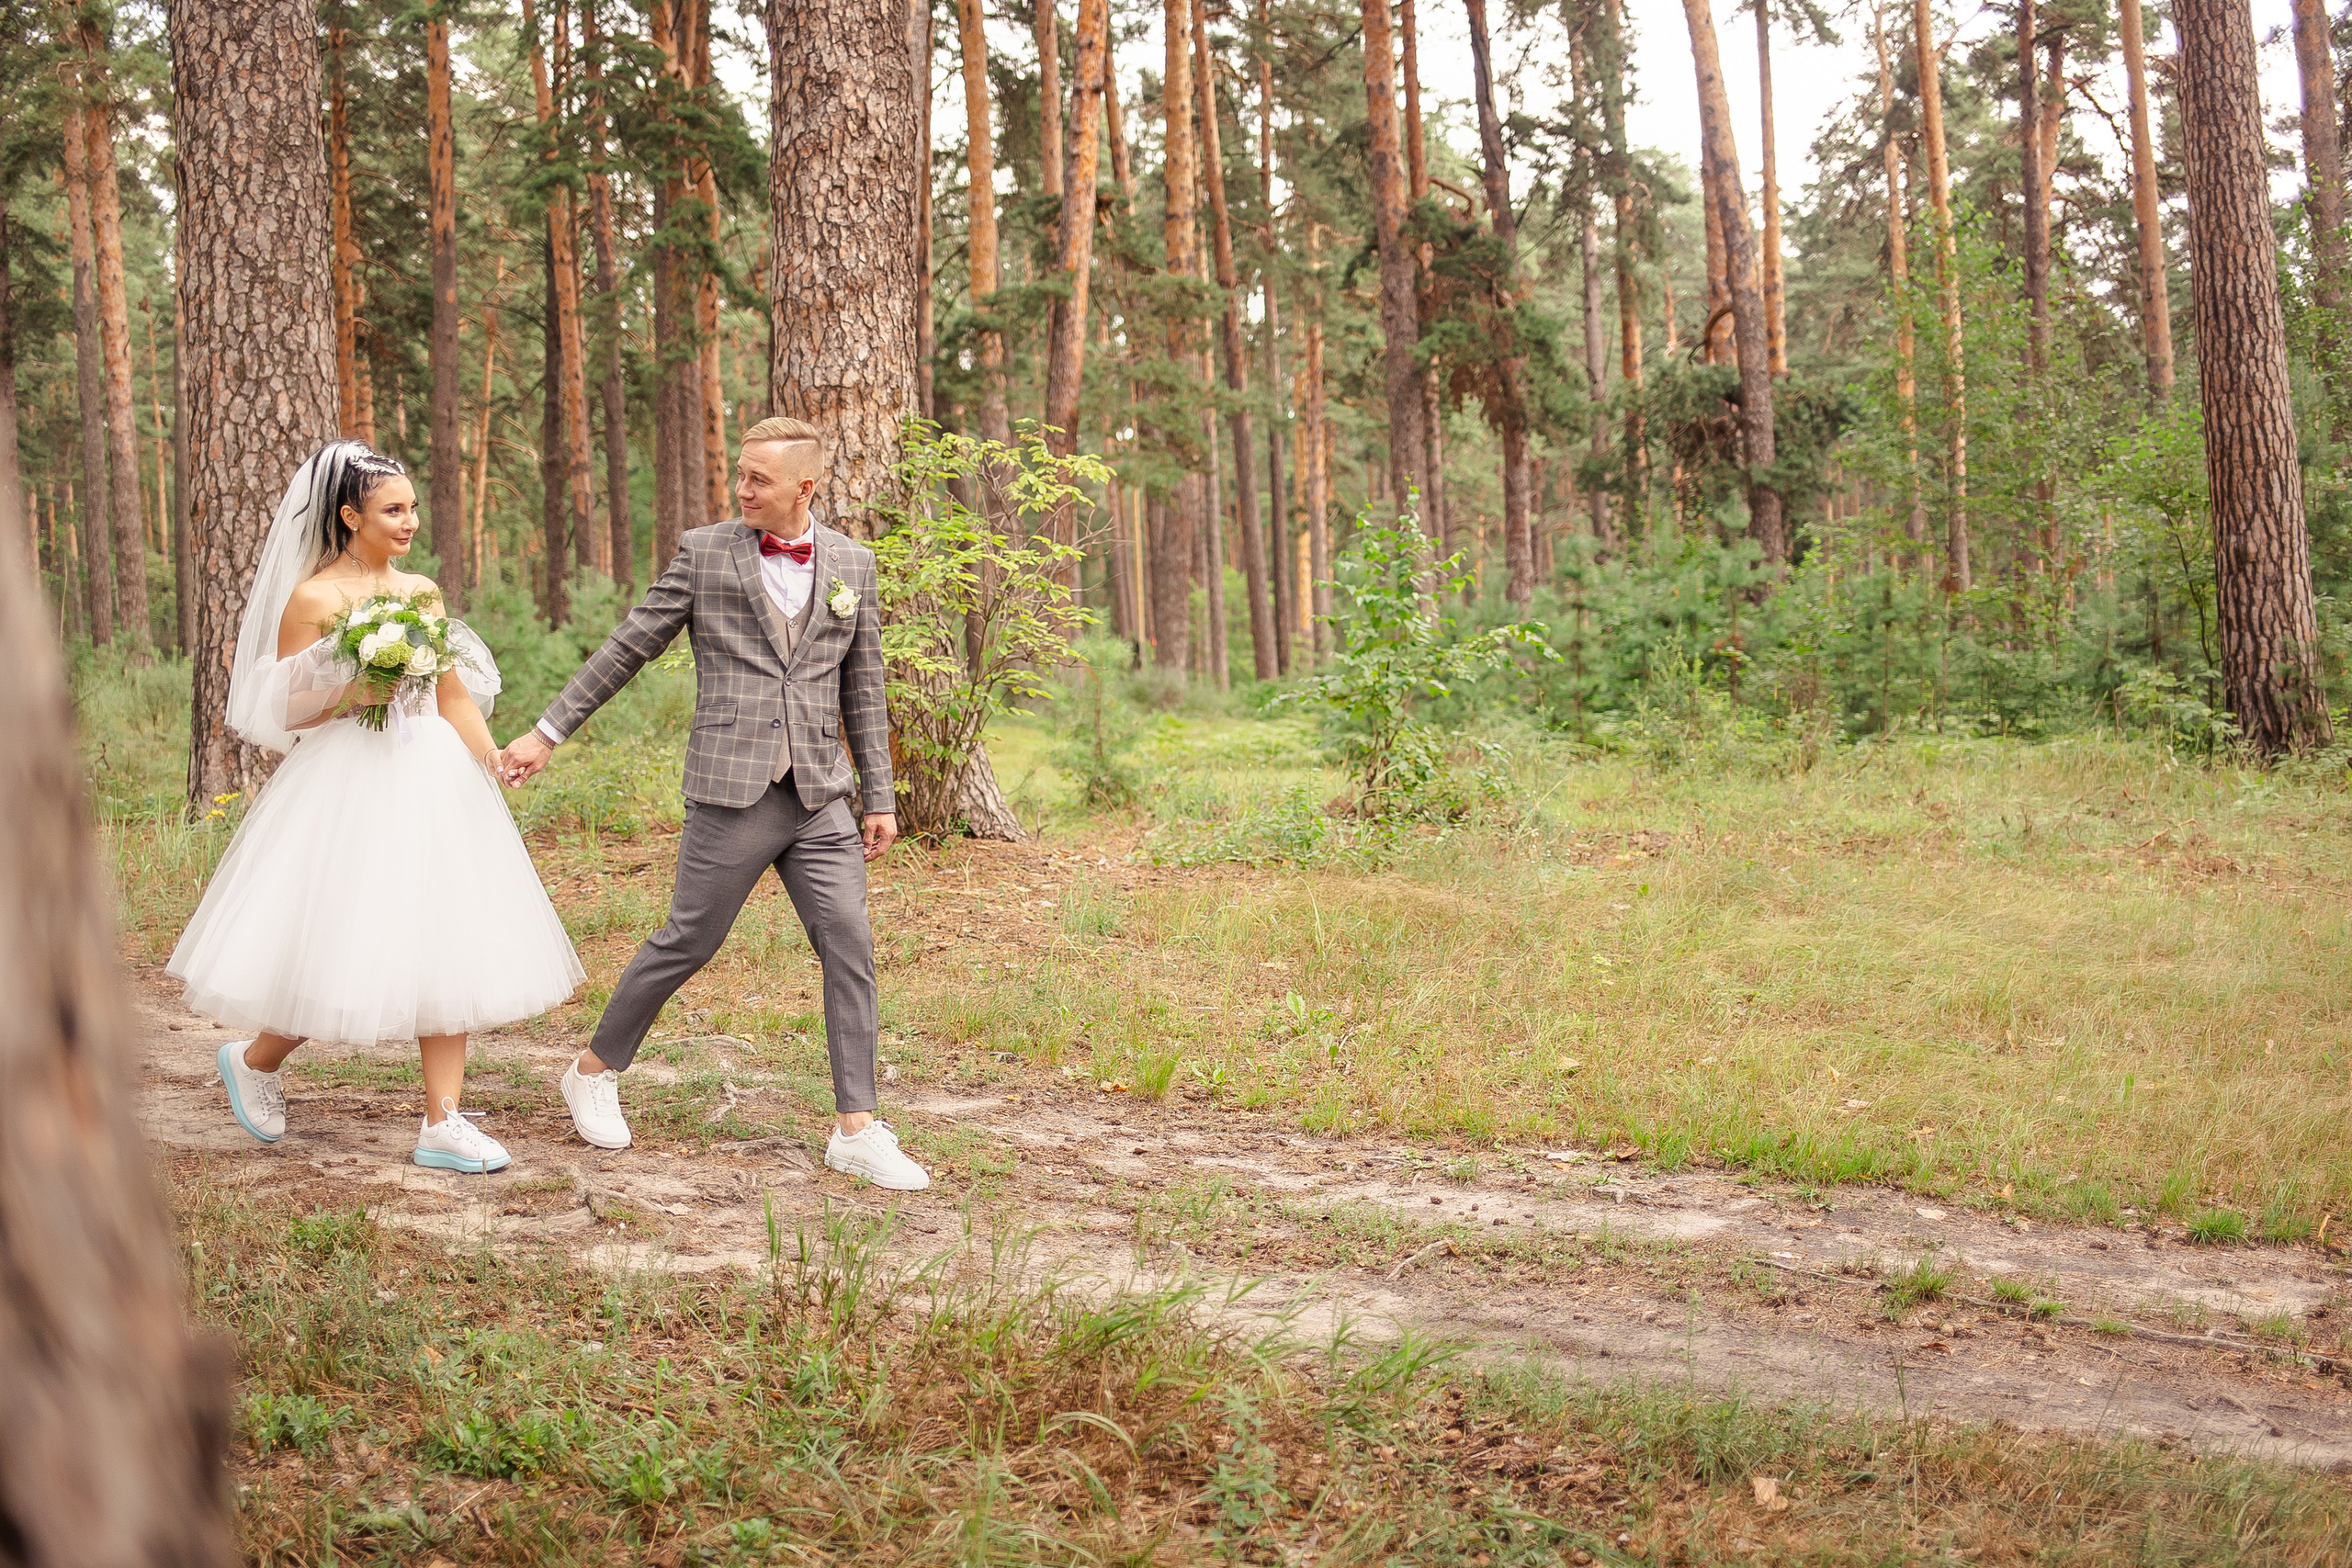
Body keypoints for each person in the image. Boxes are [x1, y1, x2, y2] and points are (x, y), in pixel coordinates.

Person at [500, 416, 927, 1191]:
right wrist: (548, 730)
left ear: (804, 486)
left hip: (820, 794)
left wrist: (879, 794)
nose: (742, 488)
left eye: (759, 478)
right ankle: (593, 1069)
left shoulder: (853, 565)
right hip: (733, 789)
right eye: (741, 472)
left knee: (849, 941)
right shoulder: (704, 553)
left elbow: (864, 685)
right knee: (689, 939)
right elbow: (629, 645)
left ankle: (856, 1127)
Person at [169, 442, 584, 1173]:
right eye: (394, 509)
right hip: (349, 780)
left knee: (445, 937)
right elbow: (286, 709)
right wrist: (354, 691)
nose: (410, 521)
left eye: (413, 508)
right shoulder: (313, 599)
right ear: (349, 514)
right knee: (340, 941)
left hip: (432, 774)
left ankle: (443, 1121)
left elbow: (450, 693)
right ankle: (255, 1059)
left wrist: (491, 757)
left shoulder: (421, 592)